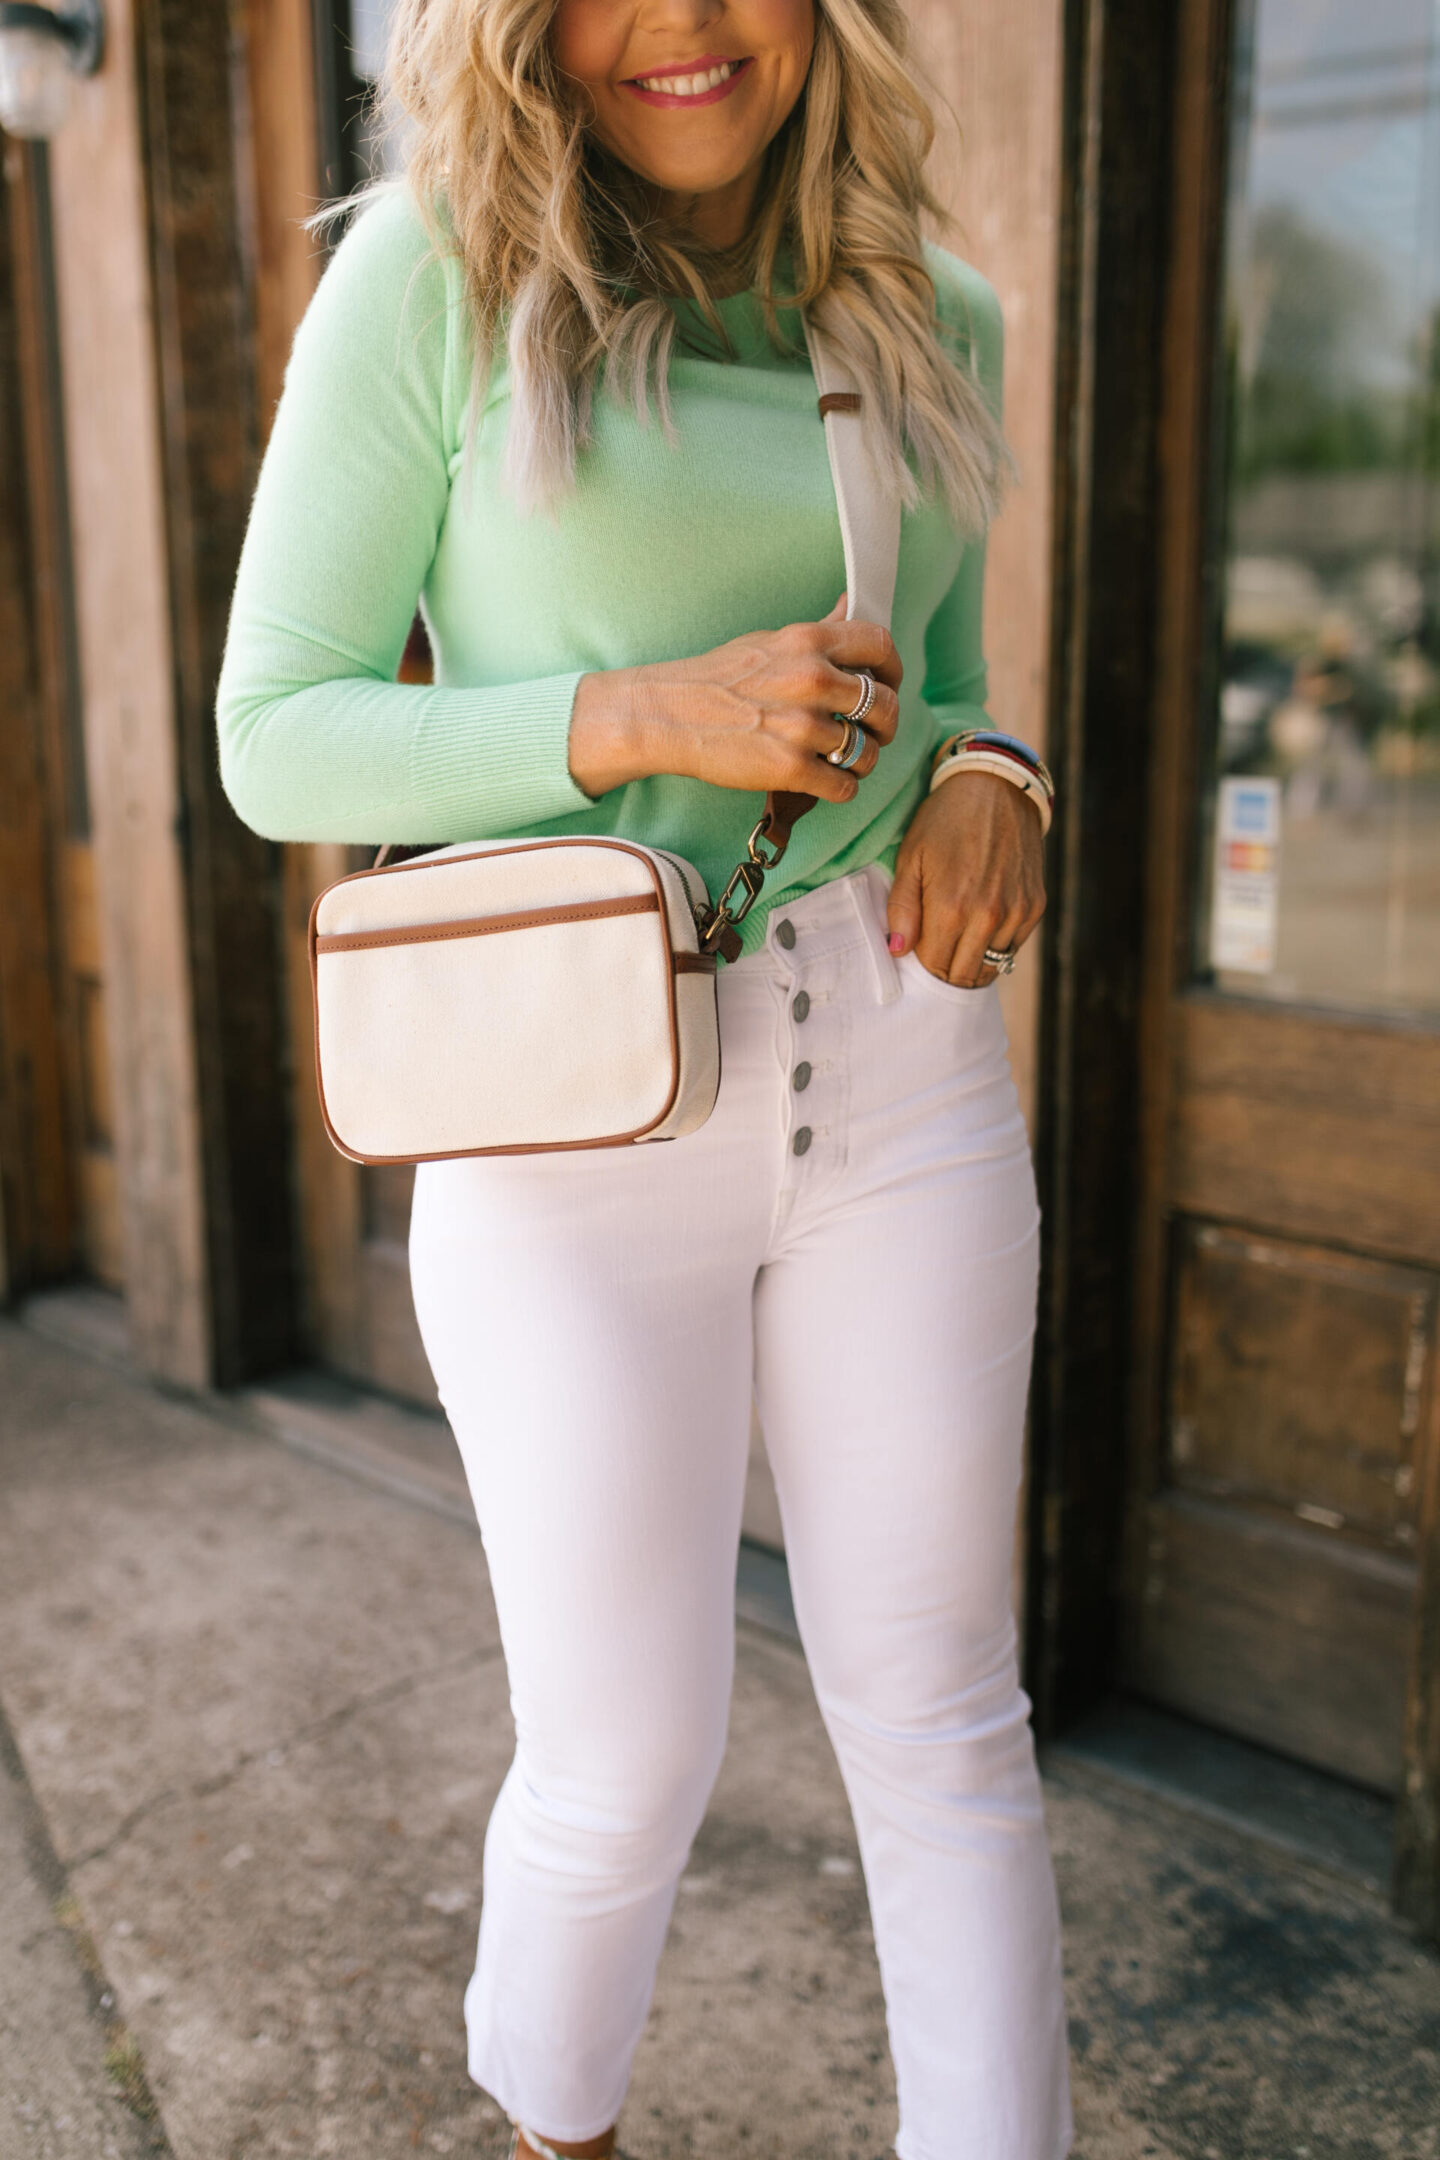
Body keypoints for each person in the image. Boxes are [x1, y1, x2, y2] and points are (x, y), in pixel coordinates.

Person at [216, 1, 1073, 2154]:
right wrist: (628, 718)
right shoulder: (437, 277)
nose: (681, 26)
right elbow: (278, 731)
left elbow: (945, 678)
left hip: (901, 1078)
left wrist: (1000, 774)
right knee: (623, 1759)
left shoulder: (931, 306)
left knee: (949, 1724)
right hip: (574, 1106)